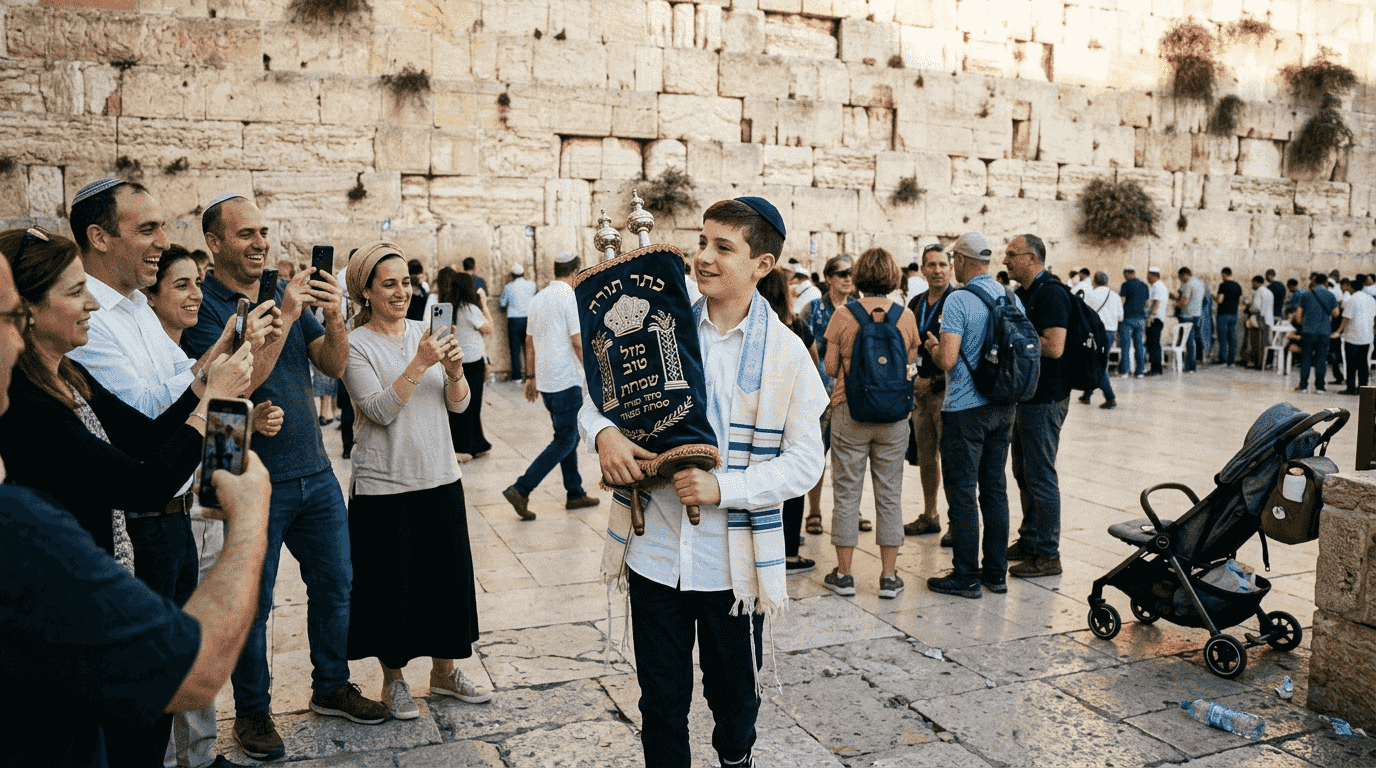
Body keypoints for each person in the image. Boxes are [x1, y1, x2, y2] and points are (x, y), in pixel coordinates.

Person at [0, 237, 276, 767]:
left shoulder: (70, 377)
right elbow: (144, 482)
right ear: (26, 313)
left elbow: (145, 435)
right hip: (80, 591)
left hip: (117, 563)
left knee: (143, 732)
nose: (95, 305)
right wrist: (248, 514)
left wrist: (210, 375)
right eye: (77, 292)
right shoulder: (30, 411)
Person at [582, 197, 826, 767]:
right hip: (656, 555)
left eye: (723, 247)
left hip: (731, 567)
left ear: (761, 266)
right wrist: (604, 435)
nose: (703, 257)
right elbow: (599, 396)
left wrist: (726, 489)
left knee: (735, 703)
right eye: (702, 242)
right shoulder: (656, 320)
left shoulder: (787, 354)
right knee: (660, 703)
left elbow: (807, 462)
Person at [183, 194, 387, 761]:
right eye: (245, 233)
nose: (259, 242)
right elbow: (231, 386)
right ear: (216, 243)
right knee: (252, 601)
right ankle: (252, 713)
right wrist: (290, 315)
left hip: (314, 471)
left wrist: (335, 316)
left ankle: (330, 686)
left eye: (264, 231)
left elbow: (332, 365)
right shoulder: (202, 309)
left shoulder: (279, 292)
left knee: (337, 584)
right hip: (249, 481)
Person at [339, 242, 493, 720]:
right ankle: (393, 682)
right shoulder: (354, 346)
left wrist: (453, 372)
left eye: (406, 282)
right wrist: (421, 363)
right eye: (389, 284)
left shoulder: (426, 332)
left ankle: (444, 673)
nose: (402, 291)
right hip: (384, 486)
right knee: (393, 588)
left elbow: (459, 406)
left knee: (444, 582)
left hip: (440, 475)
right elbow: (379, 410)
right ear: (366, 291)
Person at [144, 245, 284, 768]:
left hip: (202, 503)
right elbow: (173, 422)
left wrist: (252, 419)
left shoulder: (186, 354)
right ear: (150, 299)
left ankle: (199, 754)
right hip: (170, 507)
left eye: (196, 284)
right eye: (180, 285)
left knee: (197, 631)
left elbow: (217, 420)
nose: (196, 295)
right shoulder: (151, 355)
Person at [924, 233, 1020, 598]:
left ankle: (965, 574)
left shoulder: (959, 299)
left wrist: (933, 347)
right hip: (1003, 406)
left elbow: (947, 359)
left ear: (961, 260)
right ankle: (995, 573)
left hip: (965, 409)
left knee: (962, 492)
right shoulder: (1009, 296)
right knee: (994, 489)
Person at [822, 247, 919, 600]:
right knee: (889, 494)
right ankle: (889, 577)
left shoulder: (843, 315)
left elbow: (831, 369)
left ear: (860, 275)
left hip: (850, 410)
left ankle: (844, 575)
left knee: (846, 493)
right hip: (894, 416)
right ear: (893, 276)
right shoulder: (905, 316)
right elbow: (909, 364)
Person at [502, 251, 600, 520]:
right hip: (566, 380)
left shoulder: (538, 298)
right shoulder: (569, 297)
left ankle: (575, 492)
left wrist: (531, 378)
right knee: (567, 438)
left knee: (565, 436)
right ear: (575, 272)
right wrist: (594, 373)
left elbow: (529, 342)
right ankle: (522, 488)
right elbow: (578, 341)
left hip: (546, 382)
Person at [1003, 234, 1069, 579]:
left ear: (1031, 258)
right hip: (1026, 397)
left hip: (1046, 399)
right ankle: (1030, 540)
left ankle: (1048, 554)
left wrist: (1013, 338)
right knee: (1023, 472)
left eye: (1012, 255)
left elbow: (1055, 346)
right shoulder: (1027, 294)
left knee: (1041, 476)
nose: (1005, 260)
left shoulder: (1051, 293)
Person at [757, 268, 819, 573]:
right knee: (792, 483)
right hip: (789, 411)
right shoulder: (799, 328)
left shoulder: (753, 327)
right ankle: (790, 551)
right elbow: (815, 365)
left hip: (757, 412)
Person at [804, 256, 870, 535]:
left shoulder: (860, 309)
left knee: (850, 458)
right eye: (841, 273)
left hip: (850, 392)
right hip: (819, 393)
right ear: (829, 277)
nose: (847, 278)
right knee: (817, 453)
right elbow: (803, 349)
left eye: (851, 273)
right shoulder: (812, 309)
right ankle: (815, 511)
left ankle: (850, 509)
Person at [903, 243, 953, 541]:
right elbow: (908, 347)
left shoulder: (957, 301)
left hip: (945, 392)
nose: (936, 270)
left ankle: (956, 521)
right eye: (931, 265)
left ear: (950, 268)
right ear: (922, 269)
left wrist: (932, 383)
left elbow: (958, 355)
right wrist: (913, 382)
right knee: (925, 456)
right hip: (919, 393)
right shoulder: (916, 303)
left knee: (951, 458)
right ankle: (930, 514)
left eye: (942, 265)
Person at [443, 272, 493, 461]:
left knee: (460, 404)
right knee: (473, 404)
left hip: (456, 361)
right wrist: (484, 303)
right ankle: (466, 446)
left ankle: (473, 443)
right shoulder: (470, 309)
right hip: (473, 362)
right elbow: (489, 328)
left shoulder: (450, 308)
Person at [1077, 270, 1121, 409]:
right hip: (1111, 333)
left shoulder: (1090, 294)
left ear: (1094, 281)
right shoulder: (1115, 296)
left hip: (1096, 333)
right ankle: (1087, 394)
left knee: (1096, 364)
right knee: (1095, 361)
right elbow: (1120, 317)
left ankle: (1110, 397)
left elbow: (1083, 315)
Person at [1292, 272, 1340, 394]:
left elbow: (1298, 315)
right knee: (1321, 359)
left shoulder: (1306, 294)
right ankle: (1320, 387)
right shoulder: (1330, 295)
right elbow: (1336, 314)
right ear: (1325, 283)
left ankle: (1303, 386)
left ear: (1314, 281)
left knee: (1306, 358)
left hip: (1308, 331)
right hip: (1324, 332)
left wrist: (1304, 324)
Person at [1337, 274, 1375, 395]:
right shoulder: (1371, 299)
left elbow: (1346, 318)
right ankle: (1363, 388)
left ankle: (1351, 388)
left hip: (1352, 337)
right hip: (1367, 337)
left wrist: (1338, 331)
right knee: (1364, 364)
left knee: (1351, 364)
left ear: (1352, 288)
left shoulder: (1351, 300)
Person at [499, 262, 536, 381]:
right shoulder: (532, 285)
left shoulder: (508, 287)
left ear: (512, 275)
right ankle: (530, 375)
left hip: (514, 319)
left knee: (515, 349)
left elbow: (502, 303)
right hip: (528, 318)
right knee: (529, 347)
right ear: (523, 273)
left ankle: (517, 377)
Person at [1118, 265, 1148, 378]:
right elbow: (1147, 303)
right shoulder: (1144, 285)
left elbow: (1122, 300)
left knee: (1125, 346)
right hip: (1140, 319)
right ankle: (1140, 371)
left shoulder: (1125, 285)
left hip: (1128, 319)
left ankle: (1124, 372)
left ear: (1127, 273)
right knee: (1139, 346)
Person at [1175, 267, 1206, 372]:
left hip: (1187, 316)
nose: (1180, 280)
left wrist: (1176, 304)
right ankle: (1196, 360)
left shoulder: (1188, 284)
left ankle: (1190, 366)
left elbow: (1184, 302)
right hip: (1197, 315)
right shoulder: (1200, 283)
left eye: (1180, 277)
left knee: (1188, 342)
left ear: (1185, 275)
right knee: (1194, 340)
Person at [1245, 274, 1275, 368]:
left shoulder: (1258, 292)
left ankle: (1257, 363)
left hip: (1260, 320)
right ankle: (1264, 363)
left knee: (1257, 343)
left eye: (1253, 283)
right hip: (1268, 320)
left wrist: (1248, 307)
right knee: (1265, 343)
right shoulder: (1269, 292)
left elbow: (1256, 308)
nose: (1252, 285)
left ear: (1256, 282)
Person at [1215, 267, 1243, 367]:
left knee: (1222, 338)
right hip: (1234, 314)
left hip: (1223, 314)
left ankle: (1223, 360)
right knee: (1232, 338)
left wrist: (1214, 297)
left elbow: (1219, 300)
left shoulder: (1223, 285)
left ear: (1224, 274)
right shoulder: (1237, 285)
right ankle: (1231, 361)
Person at [1145, 266, 1169, 376]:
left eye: (1149, 276)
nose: (1147, 278)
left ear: (1154, 276)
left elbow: (1156, 302)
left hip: (1155, 319)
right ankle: (1155, 368)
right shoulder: (1158, 286)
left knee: (1154, 344)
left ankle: (1156, 369)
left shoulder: (1157, 286)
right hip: (1157, 318)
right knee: (1152, 344)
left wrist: (1150, 316)